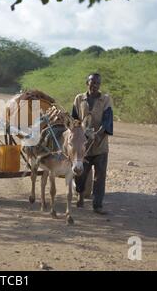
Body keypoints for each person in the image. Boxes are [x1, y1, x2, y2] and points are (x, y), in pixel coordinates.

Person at [72, 73, 113, 215]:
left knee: (100, 176)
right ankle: (80, 195)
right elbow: (74, 119)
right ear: (87, 83)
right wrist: (79, 134)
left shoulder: (105, 99)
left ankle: (97, 205)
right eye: (92, 82)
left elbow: (107, 121)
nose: (94, 85)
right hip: (83, 146)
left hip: (100, 145)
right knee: (80, 173)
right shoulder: (79, 99)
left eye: (97, 83)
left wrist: (98, 135)